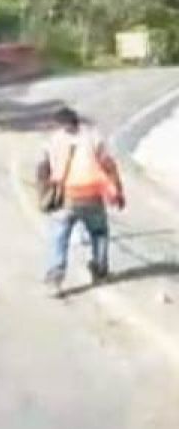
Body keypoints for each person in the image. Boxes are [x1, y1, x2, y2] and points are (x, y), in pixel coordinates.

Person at [36, 107, 126, 295]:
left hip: (65, 196)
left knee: (59, 237)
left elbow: (42, 168)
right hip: (92, 195)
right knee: (99, 232)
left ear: (60, 123)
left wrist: (43, 193)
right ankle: (100, 271)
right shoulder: (93, 136)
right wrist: (118, 192)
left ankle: (56, 277)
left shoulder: (54, 139)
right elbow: (109, 165)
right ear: (77, 120)